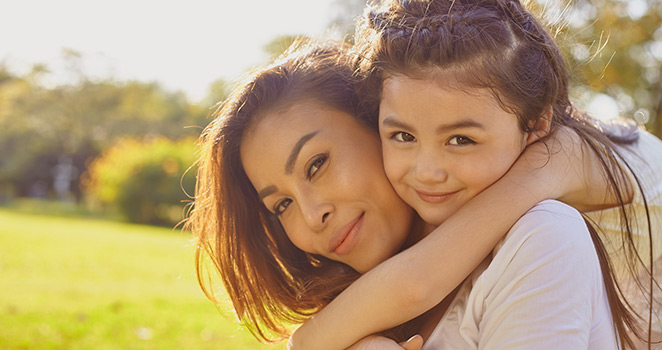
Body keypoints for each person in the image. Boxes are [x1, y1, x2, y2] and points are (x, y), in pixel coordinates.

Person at [286, 0, 662, 349]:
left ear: (537, 124)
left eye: (461, 139)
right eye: (403, 136)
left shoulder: (559, 160)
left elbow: (418, 281)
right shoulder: (481, 173)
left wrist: (307, 341)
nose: (427, 172)